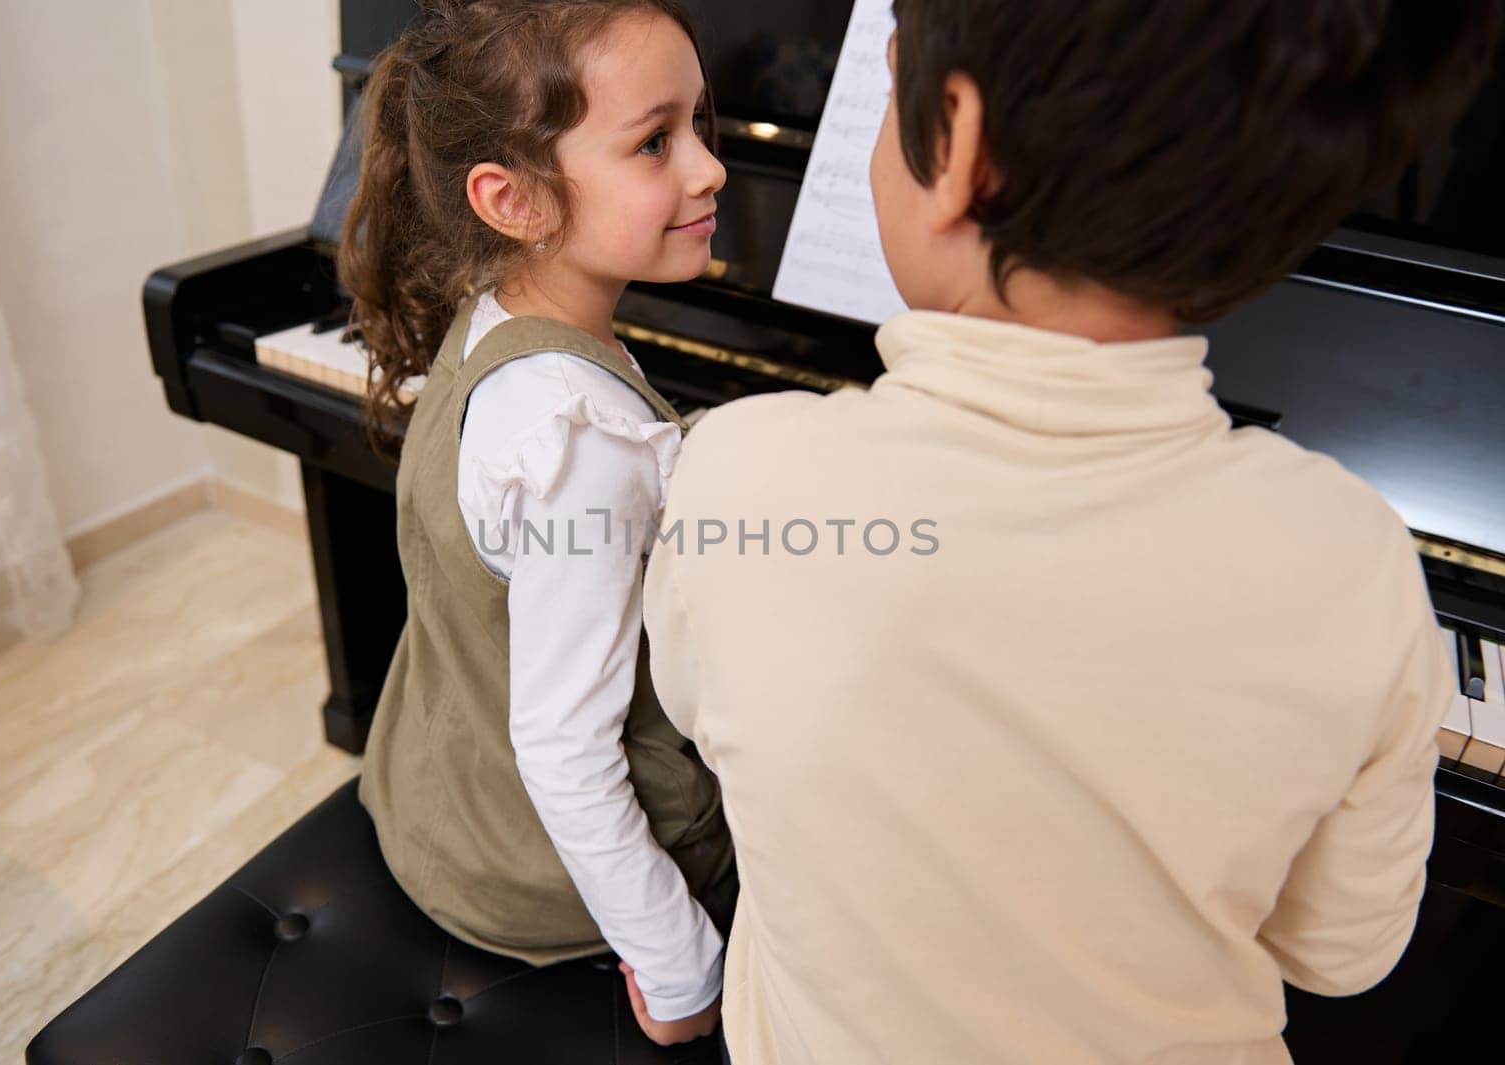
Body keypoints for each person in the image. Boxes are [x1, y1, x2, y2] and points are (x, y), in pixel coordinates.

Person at [641, 1, 1503, 1061]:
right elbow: (1340, 952)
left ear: (953, 148)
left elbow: (703, 712)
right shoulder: (1353, 557)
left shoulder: (736, 475)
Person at [338, 0, 735, 1046]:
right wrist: (680, 967)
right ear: (510, 200)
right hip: (533, 883)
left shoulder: (497, 315)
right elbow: (565, 749)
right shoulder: (584, 443)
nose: (708, 170)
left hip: (432, 802)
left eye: (703, 124)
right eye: (655, 142)